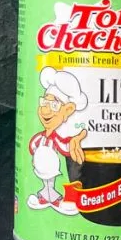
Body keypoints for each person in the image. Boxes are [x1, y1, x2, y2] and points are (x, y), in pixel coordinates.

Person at [26, 67, 88, 215]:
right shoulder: (40, 137)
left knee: (51, 178)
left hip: (52, 168)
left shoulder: (59, 138)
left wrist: (78, 138)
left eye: (53, 105)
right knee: (44, 179)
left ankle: (56, 198)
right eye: (44, 103)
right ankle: (44, 197)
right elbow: (32, 146)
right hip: (40, 168)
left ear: (67, 111)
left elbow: (66, 147)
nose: (45, 111)